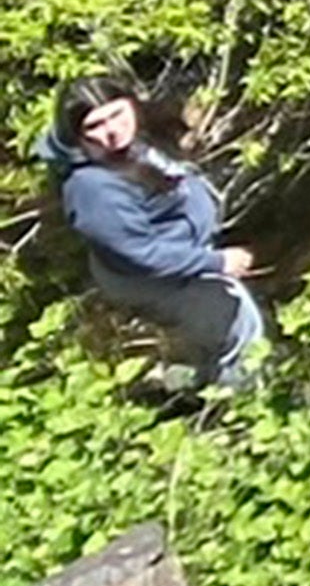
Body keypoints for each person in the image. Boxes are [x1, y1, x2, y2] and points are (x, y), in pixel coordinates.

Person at [36, 73, 262, 402]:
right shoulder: (92, 187)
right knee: (234, 319)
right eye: (95, 126)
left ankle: (182, 380)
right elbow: (139, 253)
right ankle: (240, 407)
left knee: (219, 327)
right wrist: (218, 261)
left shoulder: (129, 144)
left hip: (175, 255)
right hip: (148, 276)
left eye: (117, 113)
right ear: (77, 136)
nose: (112, 130)